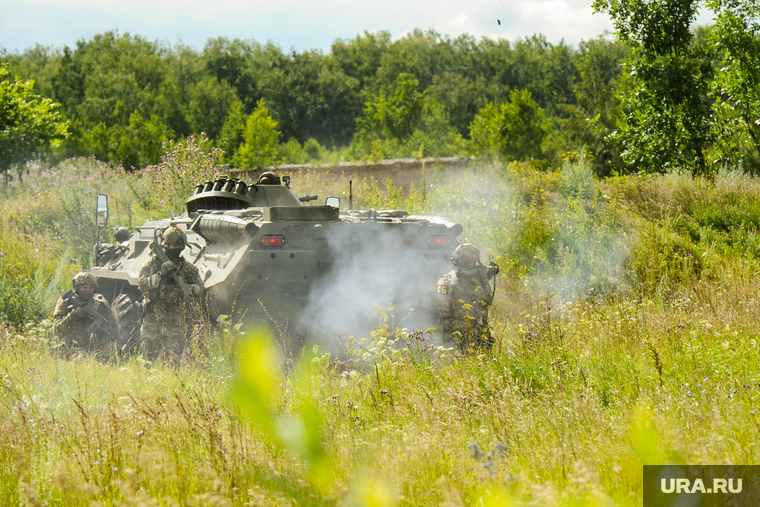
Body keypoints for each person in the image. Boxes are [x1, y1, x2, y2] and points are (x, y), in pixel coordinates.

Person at [138, 225, 204, 363]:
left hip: (175, 319)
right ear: (165, 244)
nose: (173, 249)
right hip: (153, 317)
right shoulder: (151, 265)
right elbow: (142, 285)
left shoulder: (187, 268)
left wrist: (189, 287)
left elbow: (200, 288)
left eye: (177, 246)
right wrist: (161, 274)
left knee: (173, 360)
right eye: (171, 245)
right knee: (148, 359)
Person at [436, 243, 499, 351]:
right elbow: (487, 299)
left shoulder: (447, 278)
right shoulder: (468, 281)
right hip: (468, 333)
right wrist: (484, 280)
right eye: (472, 262)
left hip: (448, 332)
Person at [53, 271, 120, 359]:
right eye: (84, 288)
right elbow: (57, 331)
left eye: (91, 288)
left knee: (112, 352)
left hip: (96, 346)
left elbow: (113, 326)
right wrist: (72, 316)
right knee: (79, 359)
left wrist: (98, 325)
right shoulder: (66, 302)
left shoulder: (101, 304)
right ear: (77, 288)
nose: (88, 291)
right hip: (73, 345)